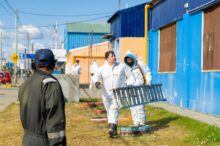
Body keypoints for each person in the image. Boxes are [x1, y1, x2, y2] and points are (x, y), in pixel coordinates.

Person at [18, 49, 66, 146]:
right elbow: (55, 119)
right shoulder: (50, 84)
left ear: (34, 64)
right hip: (44, 141)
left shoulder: (25, 84)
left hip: (27, 139)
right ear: (53, 64)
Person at [92, 50, 126, 137]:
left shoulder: (121, 66)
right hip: (106, 93)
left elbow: (129, 73)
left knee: (114, 109)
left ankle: (112, 128)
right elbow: (96, 76)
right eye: (112, 56)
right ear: (107, 58)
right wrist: (96, 82)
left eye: (114, 55)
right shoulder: (102, 68)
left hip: (117, 93)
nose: (114, 57)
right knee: (109, 111)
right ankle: (113, 129)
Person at [124, 50, 152, 126]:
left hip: (140, 88)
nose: (129, 60)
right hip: (130, 89)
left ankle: (142, 122)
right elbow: (125, 77)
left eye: (130, 58)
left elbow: (147, 72)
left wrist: (148, 82)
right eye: (127, 59)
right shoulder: (126, 67)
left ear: (133, 58)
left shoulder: (140, 64)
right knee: (132, 106)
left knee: (140, 105)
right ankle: (136, 122)